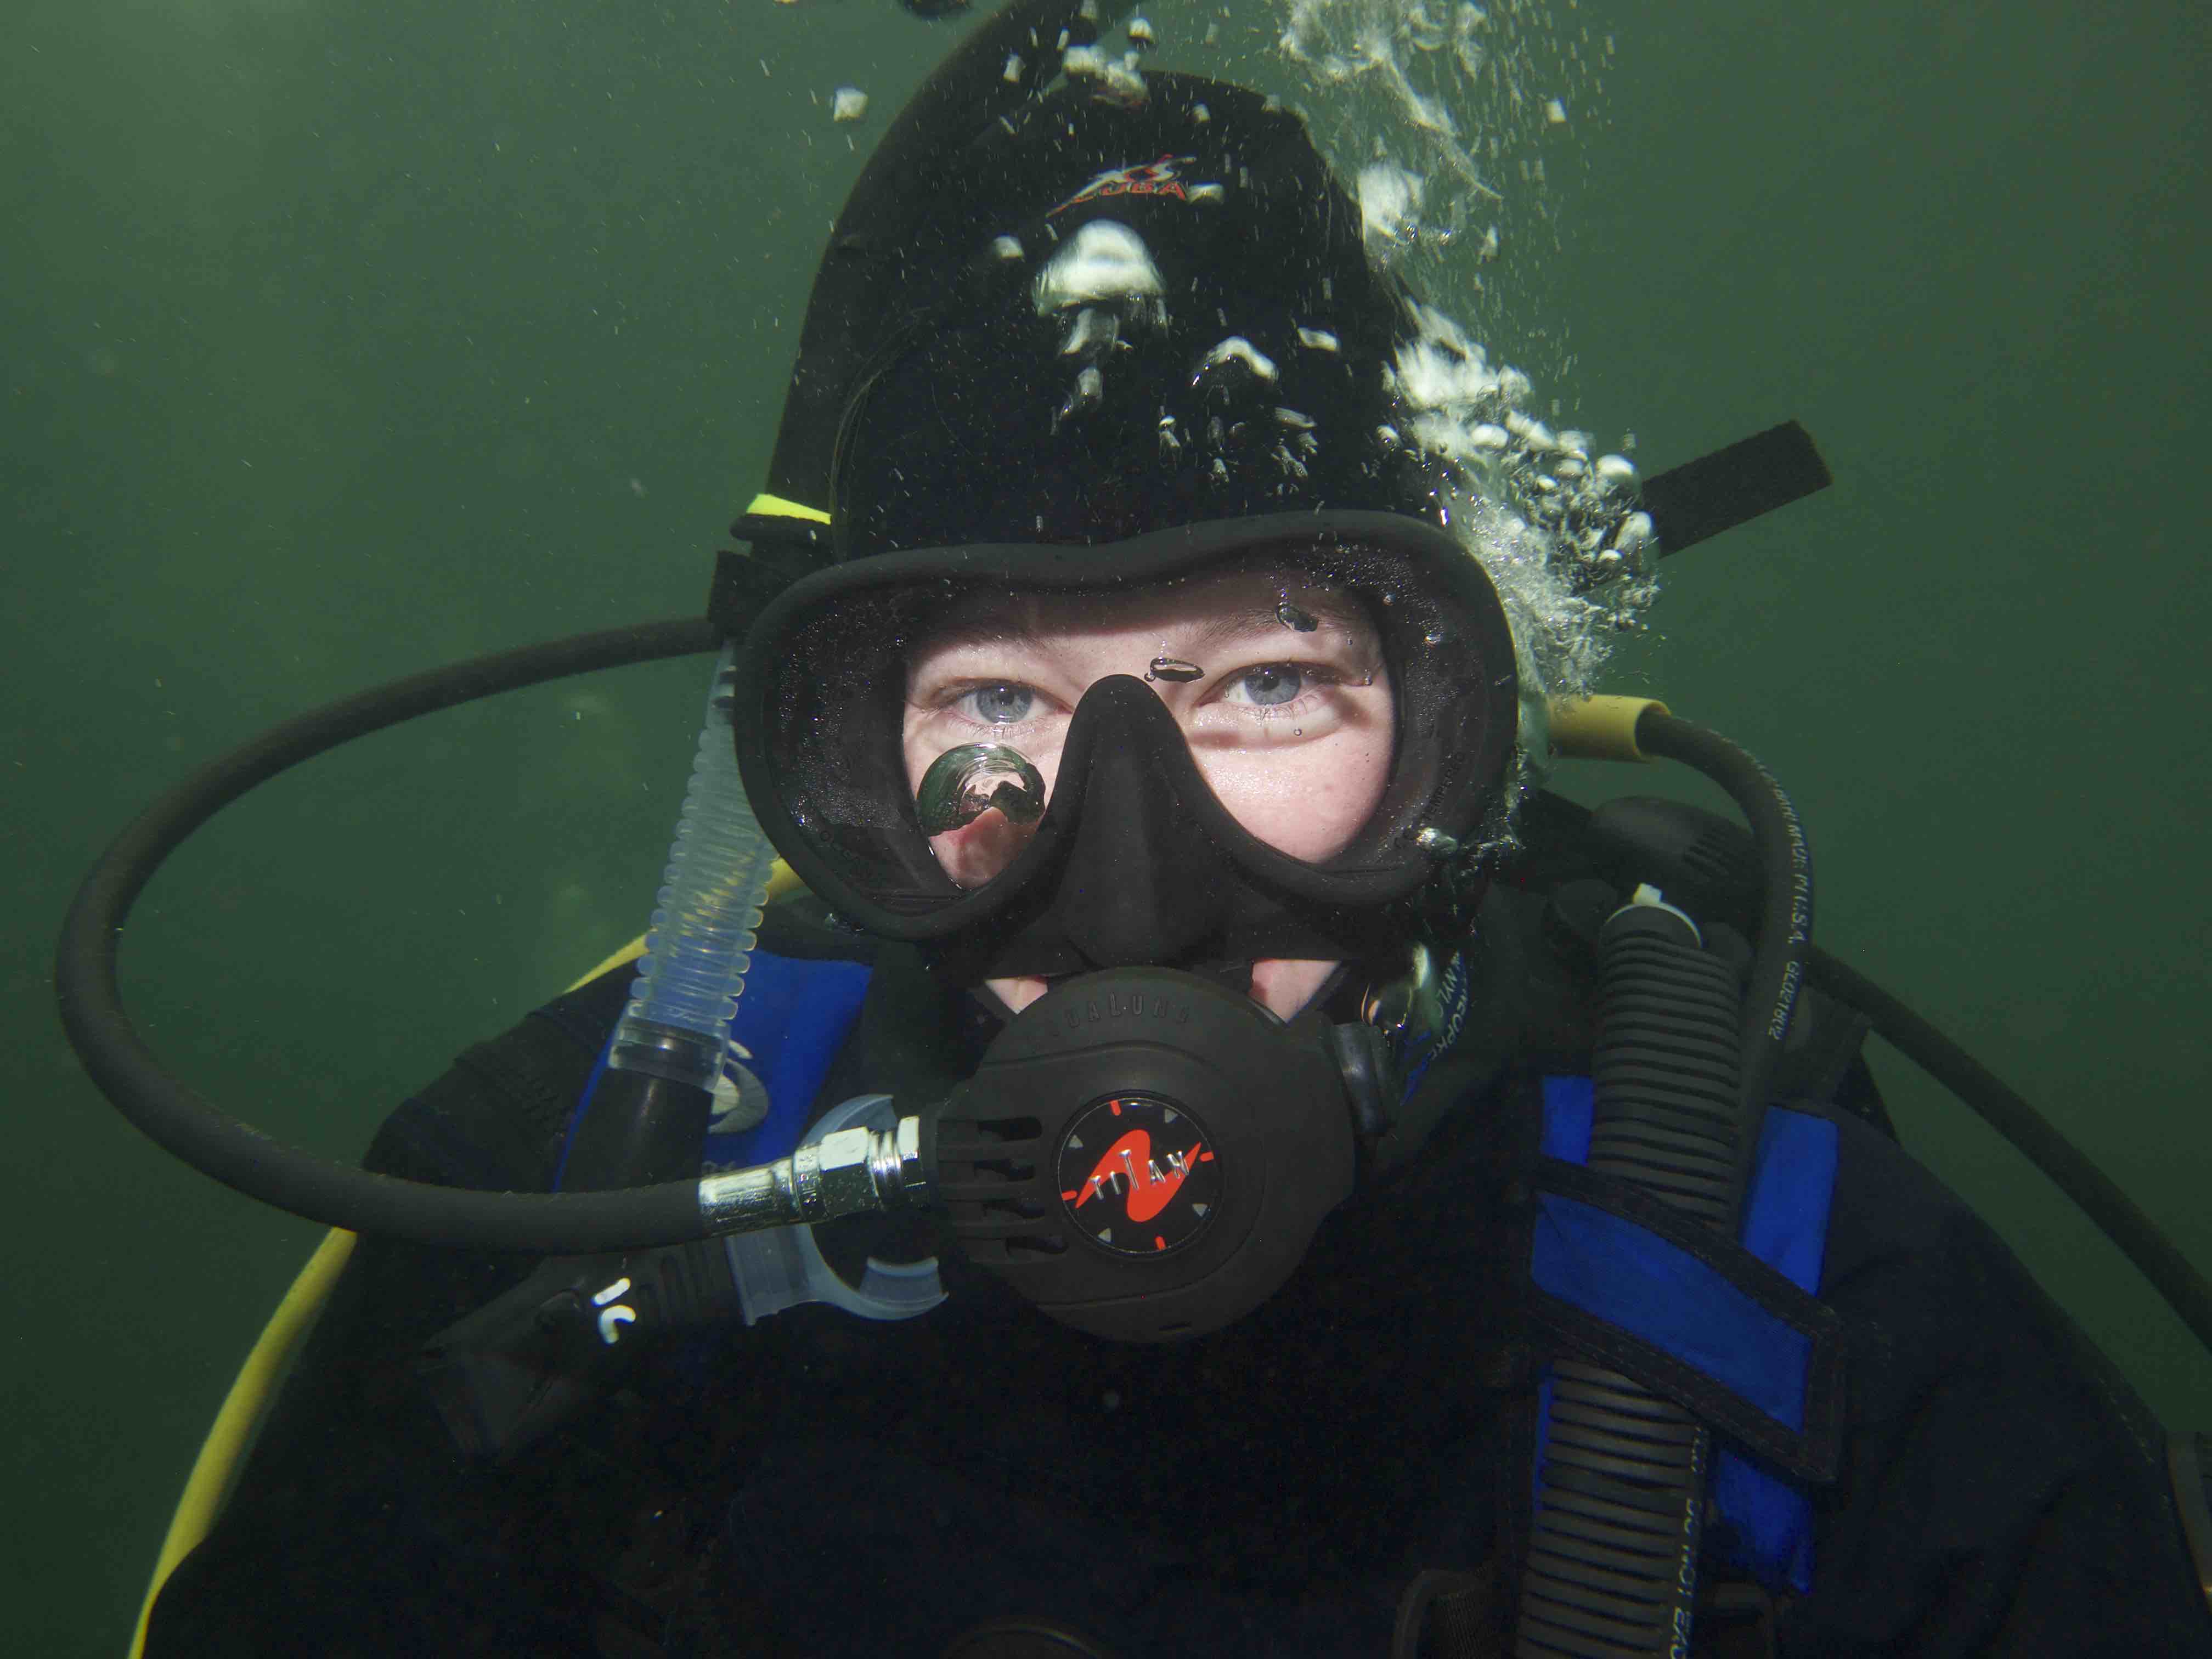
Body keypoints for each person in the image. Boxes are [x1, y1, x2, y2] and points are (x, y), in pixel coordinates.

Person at [137, 18, 2212, 1659]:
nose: (1130, 885)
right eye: (992, 709)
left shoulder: (1808, 1286)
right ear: (844, 764)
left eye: (1272, 685)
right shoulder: (580, 1192)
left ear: (1456, 739)